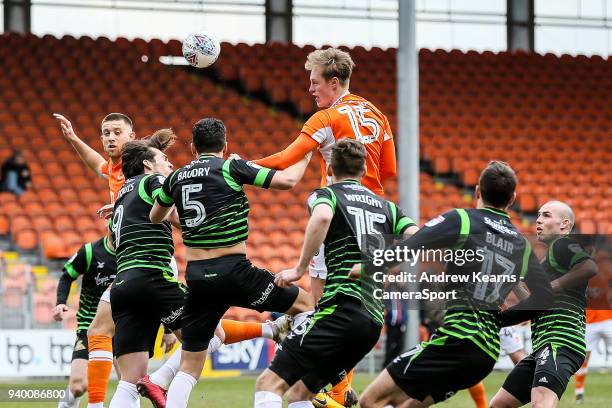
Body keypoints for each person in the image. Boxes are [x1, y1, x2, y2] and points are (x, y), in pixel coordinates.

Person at [54, 113, 274, 408]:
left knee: (116, 353)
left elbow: (172, 211)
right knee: (206, 336)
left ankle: (270, 330)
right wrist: (73, 139)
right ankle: (159, 379)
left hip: (134, 272)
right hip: (146, 269)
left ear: (132, 137)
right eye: (105, 132)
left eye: (116, 132)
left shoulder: (134, 181)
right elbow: (100, 165)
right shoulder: (130, 176)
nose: (109, 137)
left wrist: (127, 205)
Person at [249, 47, 397, 407]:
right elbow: (389, 170)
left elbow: (286, 159)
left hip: (340, 216)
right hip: (375, 219)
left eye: (315, 83)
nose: (310, 89)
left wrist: (239, 166)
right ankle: (336, 387)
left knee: (319, 310)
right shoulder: (377, 114)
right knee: (359, 308)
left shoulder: (327, 118)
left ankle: (331, 387)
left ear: (333, 82)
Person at [358, 161, 553, 408]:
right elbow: (544, 298)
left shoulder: (463, 220)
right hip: (485, 355)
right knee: (404, 405)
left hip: (457, 341)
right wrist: (499, 319)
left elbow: (409, 247)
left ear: (477, 191)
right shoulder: (521, 244)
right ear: (513, 198)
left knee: (370, 401)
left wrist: (366, 267)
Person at [150, 118, 316, 407]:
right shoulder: (230, 167)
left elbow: (156, 216)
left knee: (190, 365)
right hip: (235, 271)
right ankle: (291, 377)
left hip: (199, 277)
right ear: (225, 146)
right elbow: (287, 181)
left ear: (192, 147)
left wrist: (189, 223)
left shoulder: (175, 178)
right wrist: (307, 156)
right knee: (306, 305)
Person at [253, 138, 418, 408]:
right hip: (372, 321)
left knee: (268, 384)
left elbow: (321, 218)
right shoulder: (388, 208)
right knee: (299, 394)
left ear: (329, 169)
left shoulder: (326, 195)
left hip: (341, 309)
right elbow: (419, 240)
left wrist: (299, 269)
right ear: (364, 170)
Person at [489, 200, 598, 408]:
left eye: (546, 215)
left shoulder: (563, 244)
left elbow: (589, 267)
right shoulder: (550, 259)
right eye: (538, 215)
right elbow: (536, 305)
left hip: (560, 341)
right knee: (499, 404)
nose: (538, 220)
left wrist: (549, 288)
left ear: (564, 225)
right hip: (542, 347)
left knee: (541, 402)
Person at [53, 235, 116, 408]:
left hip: (122, 327)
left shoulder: (133, 253)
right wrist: (60, 302)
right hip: (90, 327)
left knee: (130, 384)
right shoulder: (90, 252)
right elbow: (67, 276)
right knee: (78, 386)